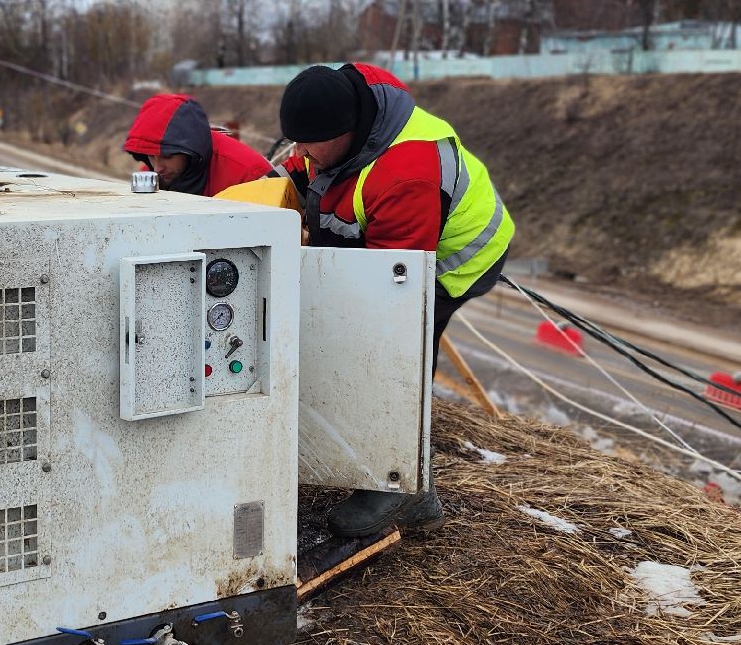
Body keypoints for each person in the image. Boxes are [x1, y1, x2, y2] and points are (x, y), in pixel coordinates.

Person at [280, 62, 514, 537]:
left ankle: (403, 491)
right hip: (400, 243)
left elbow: (388, 292)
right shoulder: (339, 113)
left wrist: (310, 255)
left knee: (393, 356)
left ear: (347, 133)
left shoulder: (406, 173)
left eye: (309, 144)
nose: (301, 153)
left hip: (454, 261)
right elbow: (298, 169)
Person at [123, 94, 276, 196]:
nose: (157, 168)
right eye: (151, 156)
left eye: (167, 156)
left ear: (191, 150)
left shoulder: (250, 177)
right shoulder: (154, 174)